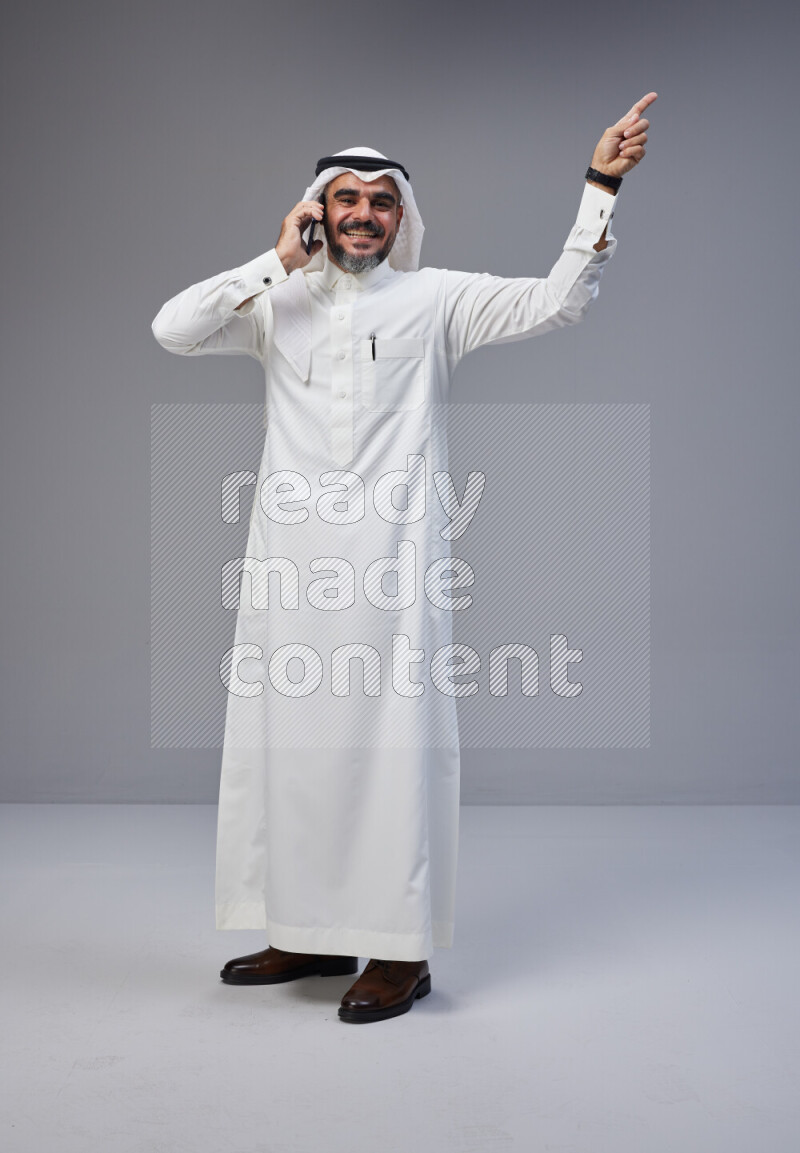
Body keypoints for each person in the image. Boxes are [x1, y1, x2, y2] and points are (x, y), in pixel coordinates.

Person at [151, 93, 656, 1025]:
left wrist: (601, 185)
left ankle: (400, 951)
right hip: (290, 570)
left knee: (391, 756)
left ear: (402, 218)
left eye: (381, 201)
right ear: (317, 209)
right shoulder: (277, 302)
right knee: (291, 749)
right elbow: (171, 329)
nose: (362, 214)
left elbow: (558, 301)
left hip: (392, 570)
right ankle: (305, 929)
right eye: (345, 198)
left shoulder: (436, 299)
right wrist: (274, 260)